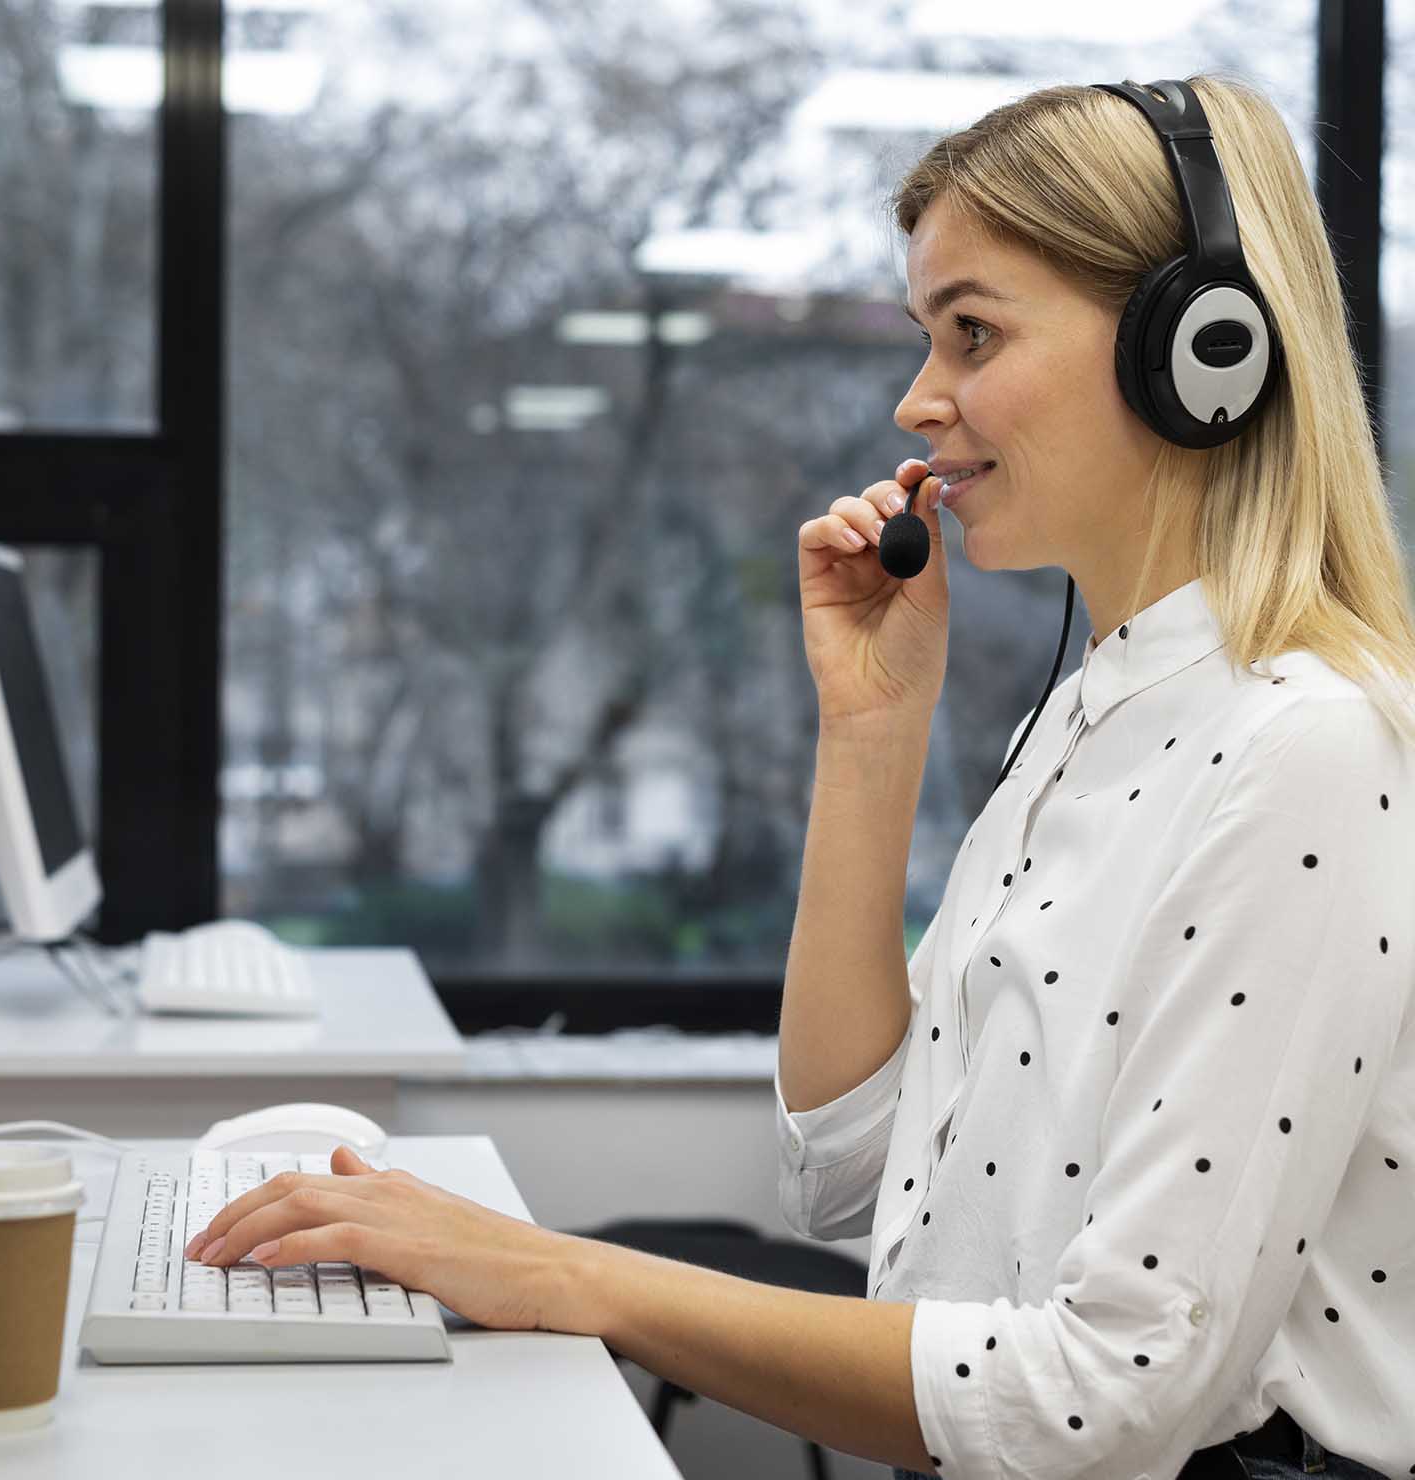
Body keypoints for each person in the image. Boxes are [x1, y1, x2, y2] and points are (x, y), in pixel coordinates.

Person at [182, 74, 1415, 1480]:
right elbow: (850, 1170)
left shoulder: (1309, 746)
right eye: (924, 335)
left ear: (1200, 350)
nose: (917, 398)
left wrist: (561, 1277)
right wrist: (871, 735)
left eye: (974, 331)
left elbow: (1108, 1391)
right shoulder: (1099, 715)